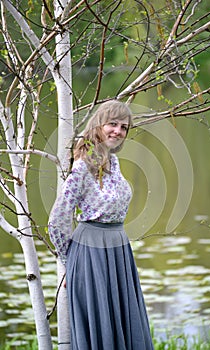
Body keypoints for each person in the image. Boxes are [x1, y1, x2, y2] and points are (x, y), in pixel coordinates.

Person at [48, 100, 154, 350]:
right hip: (91, 251)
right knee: (102, 326)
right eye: (112, 124)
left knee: (123, 321)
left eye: (124, 127)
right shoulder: (82, 167)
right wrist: (69, 261)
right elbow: (57, 219)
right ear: (99, 125)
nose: (118, 131)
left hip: (118, 249)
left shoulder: (113, 163)